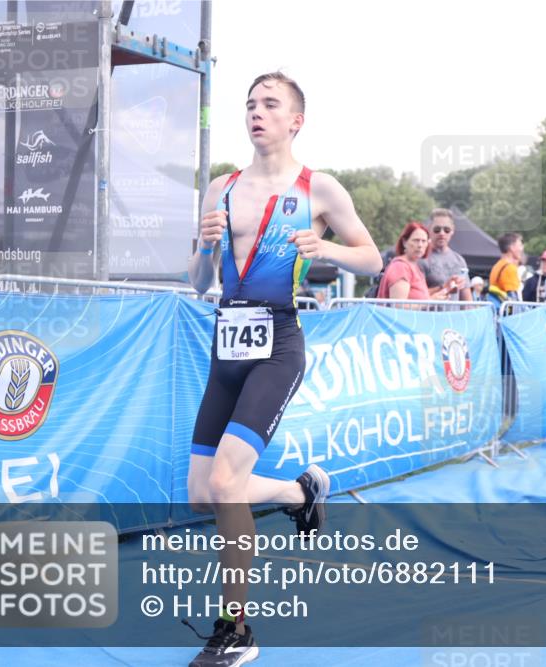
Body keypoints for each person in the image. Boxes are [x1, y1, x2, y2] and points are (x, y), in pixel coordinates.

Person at [186, 71, 383, 667]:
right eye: (250, 104)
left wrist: (327, 251)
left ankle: (236, 630)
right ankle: (301, 493)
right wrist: (205, 248)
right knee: (202, 495)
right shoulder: (220, 188)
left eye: (271, 104)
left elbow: (372, 259)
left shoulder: (317, 188)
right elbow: (197, 283)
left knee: (225, 485)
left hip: (278, 346)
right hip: (226, 350)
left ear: (296, 120)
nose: (257, 112)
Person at [377, 222, 440, 300]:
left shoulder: (414, 266)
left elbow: (419, 295)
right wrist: (431, 300)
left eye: (424, 241)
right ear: (404, 242)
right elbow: (399, 306)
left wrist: (443, 288)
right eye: (416, 240)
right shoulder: (400, 267)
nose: (420, 245)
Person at [419, 208, 471, 300]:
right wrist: (444, 287)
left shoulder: (459, 260)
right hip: (428, 314)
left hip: (453, 314)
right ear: (429, 229)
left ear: (452, 231)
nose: (442, 233)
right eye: (437, 229)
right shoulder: (420, 257)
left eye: (446, 230)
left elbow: (467, 301)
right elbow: (415, 296)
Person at [489, 232, 524, 300]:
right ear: (512, 248)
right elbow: (513, 300)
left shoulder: (497, 266)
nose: (522, 248)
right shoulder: (509, 268)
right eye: (520, 245)